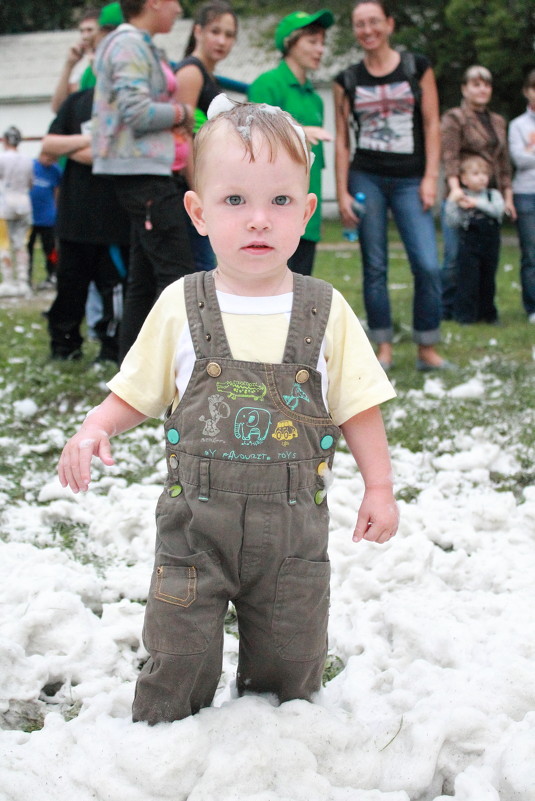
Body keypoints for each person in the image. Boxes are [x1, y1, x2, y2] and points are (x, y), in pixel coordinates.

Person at [58, 98, 399, 725]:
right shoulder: (178, 303)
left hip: (294, 537)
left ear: (306, 211)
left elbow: (358, 406)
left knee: (291, 661)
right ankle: (167, 747)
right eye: (235, 201)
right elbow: (137, 388)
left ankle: (271, 748)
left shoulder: (326, 310)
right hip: (196, 532)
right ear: (199, 212)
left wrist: (379, 485)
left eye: (279, 202)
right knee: (177, 649)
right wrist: (95, 426)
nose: (258, 221)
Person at [334, 1, 448, 372]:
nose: (367, 30)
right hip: (366, 176)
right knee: (375, 265)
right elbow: (341, 139)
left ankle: (427, 348)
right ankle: (383, 348)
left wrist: (431, 177)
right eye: (359, 24)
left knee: (428, 265)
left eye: (374, 22)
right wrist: (343, 190)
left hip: (411, 179)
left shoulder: (417, 67)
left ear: (389, 24)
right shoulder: (346, 79)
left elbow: (432, 124)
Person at [92, 0, 195, 362]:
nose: (179, 9)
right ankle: (178, 373)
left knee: (144, 279)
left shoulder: (140, 44)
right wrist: (184, 113)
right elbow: (135, 111)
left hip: (147, 172)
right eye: (174, 2)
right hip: (143, 175)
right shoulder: (129, 44)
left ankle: (131, 370)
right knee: (179, 278)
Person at [248, 10, 334, 276]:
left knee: (301, 286)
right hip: (274, 208)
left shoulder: (315, 97)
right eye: (312, 41)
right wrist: (298, 132)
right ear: (290, 43)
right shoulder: (267, 85)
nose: (320, 49)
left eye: (322, 42)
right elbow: (254, 142)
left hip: (307, 206)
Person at [441, 65, 515, 320]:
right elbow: (449, 155)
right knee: (454, 257)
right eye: (476, 84)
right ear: (464, 88)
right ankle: (448, 307)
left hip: (488, 192)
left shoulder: (497, 121)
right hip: (461, 191)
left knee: (485, 260)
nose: (482, 89)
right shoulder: (455, 118)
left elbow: (503, 163)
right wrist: (455, 190)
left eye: (486, 84)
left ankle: (481, 308)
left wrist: (508, 196)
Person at [174, 0, 239, 271]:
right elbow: (182, 134)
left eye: (229, 34)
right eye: (215, 31)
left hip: (207, 182)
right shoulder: (191, 72)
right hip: (190, 186)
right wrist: (198, 190)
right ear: (198, 31)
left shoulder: (210, 76)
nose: (222, 40)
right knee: (200, 266)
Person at [445, 155, 504, 325]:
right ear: (464, 179)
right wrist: (451, 201)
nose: (482, 178)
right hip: (469, 245)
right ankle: (465, 316)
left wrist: (476, 202)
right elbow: (452, 221)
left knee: (488, 280)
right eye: (476, 174)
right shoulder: (460, 197)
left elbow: (498, 211)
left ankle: (488, 314)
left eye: (485, 174)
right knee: (468, 280)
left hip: (490, 245)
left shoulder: (493, 196)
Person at [508, 68, 535, 324]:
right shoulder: (518, 125)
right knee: (530, 253)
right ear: (527, 92)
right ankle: (532, 307)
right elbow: (519, 159)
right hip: (526, 194)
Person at [0, 126, 33, 297]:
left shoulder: (2, 158)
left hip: (5, 204)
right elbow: (30, 183)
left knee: (4, 244)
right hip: (24, 203)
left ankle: (8, 281)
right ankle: (23, 281)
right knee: (21, 245)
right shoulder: (27, 159)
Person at [51, 8, 100, 113]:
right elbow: (58, 108)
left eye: (90, 30)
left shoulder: (113, 65)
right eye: (82, 31)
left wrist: (96, 65)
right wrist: (69, 65)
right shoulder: (85, 73)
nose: (84, 36)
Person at [28, 151, 62, 290]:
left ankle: (52, 275)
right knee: (27, 249)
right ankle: (26, 277)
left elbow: (58, 190)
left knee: (50, 249)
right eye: (48, 157)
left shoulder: (56, 171)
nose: (50, 161)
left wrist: (56, 209)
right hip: (30, 216)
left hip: (47, 217)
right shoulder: (31, 166)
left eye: (53, 159)